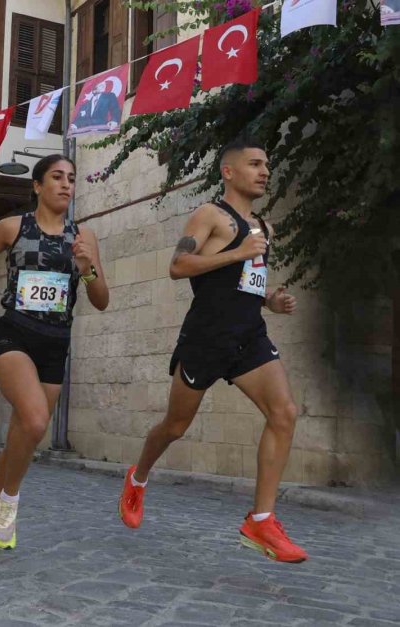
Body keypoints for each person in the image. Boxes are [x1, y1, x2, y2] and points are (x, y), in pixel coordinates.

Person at [118, 138, 307, 563]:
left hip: (249, 337)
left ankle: (260, 520)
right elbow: (178, 266)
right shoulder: (209, 216)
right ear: (229, 171)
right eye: (255, 164)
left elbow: (244, 282)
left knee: (284, 413)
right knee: (175, 426)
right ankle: (139, 476)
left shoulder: (264, 227)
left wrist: (270, 301)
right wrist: (238, 251)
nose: (264, 171)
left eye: (267, 164)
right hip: (205, 338)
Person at [0, 154, 109, 553]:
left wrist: (87, 267)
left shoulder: (84, 238)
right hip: (12, 332)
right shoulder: (12, 227)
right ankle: (9, 507)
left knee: (24, 434)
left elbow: (101, 301)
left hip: (55, 341)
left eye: (71, 178)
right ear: (38, 186)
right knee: (36, 418)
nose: (66, 184)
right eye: (57, 177)